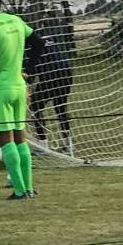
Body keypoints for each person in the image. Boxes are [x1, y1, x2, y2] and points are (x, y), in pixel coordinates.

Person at [0, 0, 44, 200]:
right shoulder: (16, 21)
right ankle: (29, 188)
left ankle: (19, 191)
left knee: (5, 139)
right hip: (18, 86)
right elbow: (39, 43)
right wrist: (29, 70)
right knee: (20, 137)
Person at [29, 10, 74, 155]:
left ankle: (43, 145)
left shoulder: (28, 42)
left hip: (51, 74)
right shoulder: (50, 36)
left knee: (35, 107)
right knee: (60, 107)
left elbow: (30, 68)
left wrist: (29, 80)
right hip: (66, 71)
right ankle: (68, 144)